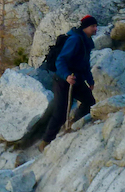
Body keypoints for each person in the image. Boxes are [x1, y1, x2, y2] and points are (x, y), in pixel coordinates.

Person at [42, 15, 98, 143]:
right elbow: (60, 60)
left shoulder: (87, 41)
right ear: (85, 27)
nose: (95, 29)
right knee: (60, 112)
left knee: (89, 101)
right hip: (63, 79)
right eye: (92, 26)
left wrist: (90, 81)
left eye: (95, 26)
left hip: (76, 78)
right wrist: (66, 76)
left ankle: (74, 124)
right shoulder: (75, 40)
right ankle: (46, 141)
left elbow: (85, 64)